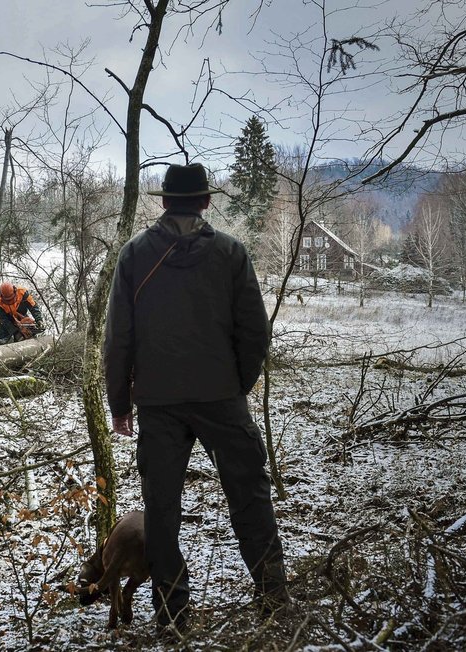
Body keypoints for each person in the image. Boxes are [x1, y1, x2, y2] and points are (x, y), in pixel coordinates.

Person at [103, 162, 288, 636]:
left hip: (158, 404)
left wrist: (120, 402)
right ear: (206, 202)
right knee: (249, 496)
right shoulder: (231, 254)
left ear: (164, 202)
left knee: (160, 512)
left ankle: (171, 615)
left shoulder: (134, 255)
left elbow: (118, 337)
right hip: (220, 397)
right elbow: (255, 331)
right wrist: (235, 385)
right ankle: (273, 598)